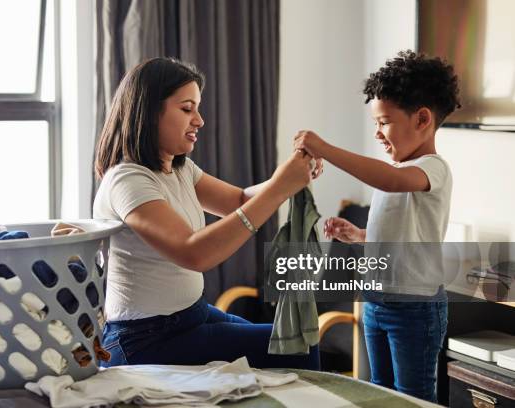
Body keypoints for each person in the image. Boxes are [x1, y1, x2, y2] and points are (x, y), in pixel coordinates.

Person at [93, 57, 322, 370]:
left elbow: (239, 200)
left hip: (191, 315)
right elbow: (194, 253)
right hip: (145, 339)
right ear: (149, 112)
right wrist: (282, 186)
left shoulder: (179, 167)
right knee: (298, 344)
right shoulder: (127, 179)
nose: (199, 120)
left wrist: (291, 175)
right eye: (187, 109)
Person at [294, 50, 460, 402]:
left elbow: (390, 182)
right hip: (375, 303)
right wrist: (358, 236)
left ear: (422, 119)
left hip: (415, 309)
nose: (379, 134)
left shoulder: (433, 169)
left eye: (384, 122)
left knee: (413, 397)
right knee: (378, 395)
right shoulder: (396, 173)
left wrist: (325, 148)